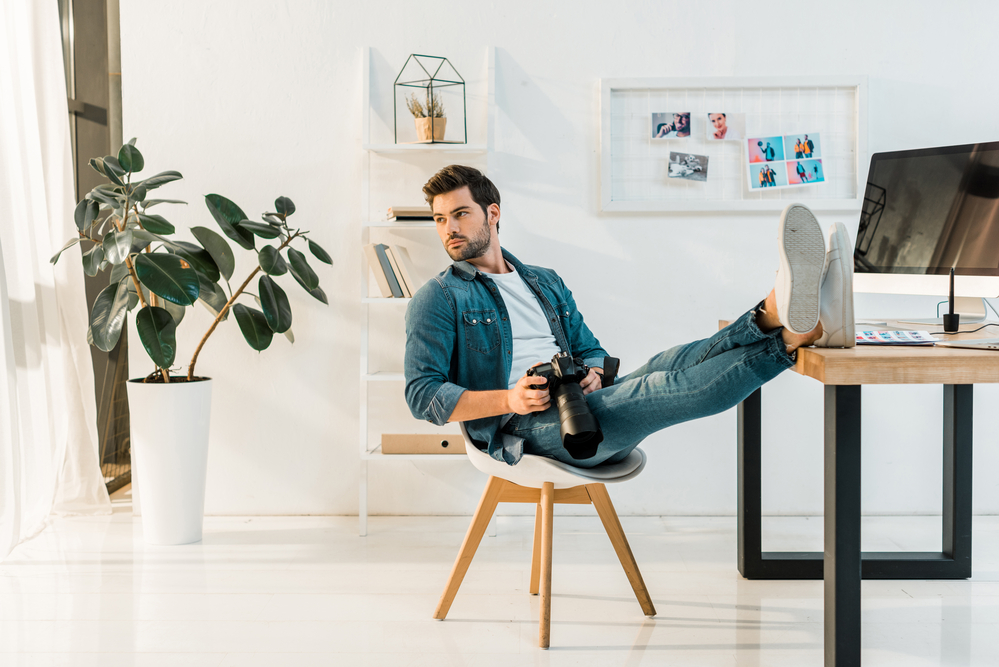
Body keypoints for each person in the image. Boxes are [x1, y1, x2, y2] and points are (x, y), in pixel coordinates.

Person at [404, 165, 855, 468]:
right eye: (440, 219)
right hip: (528, 430)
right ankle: (790, 333)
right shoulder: (439, 297)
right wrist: (511, 399)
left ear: (492, 213)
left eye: (460, 214)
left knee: (674, 361)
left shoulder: (543, 281)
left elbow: (590, 349)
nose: (451, 229)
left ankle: (774, 314)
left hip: (581, 401)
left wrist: (595, 373)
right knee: (662, 385)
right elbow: (422, 396)